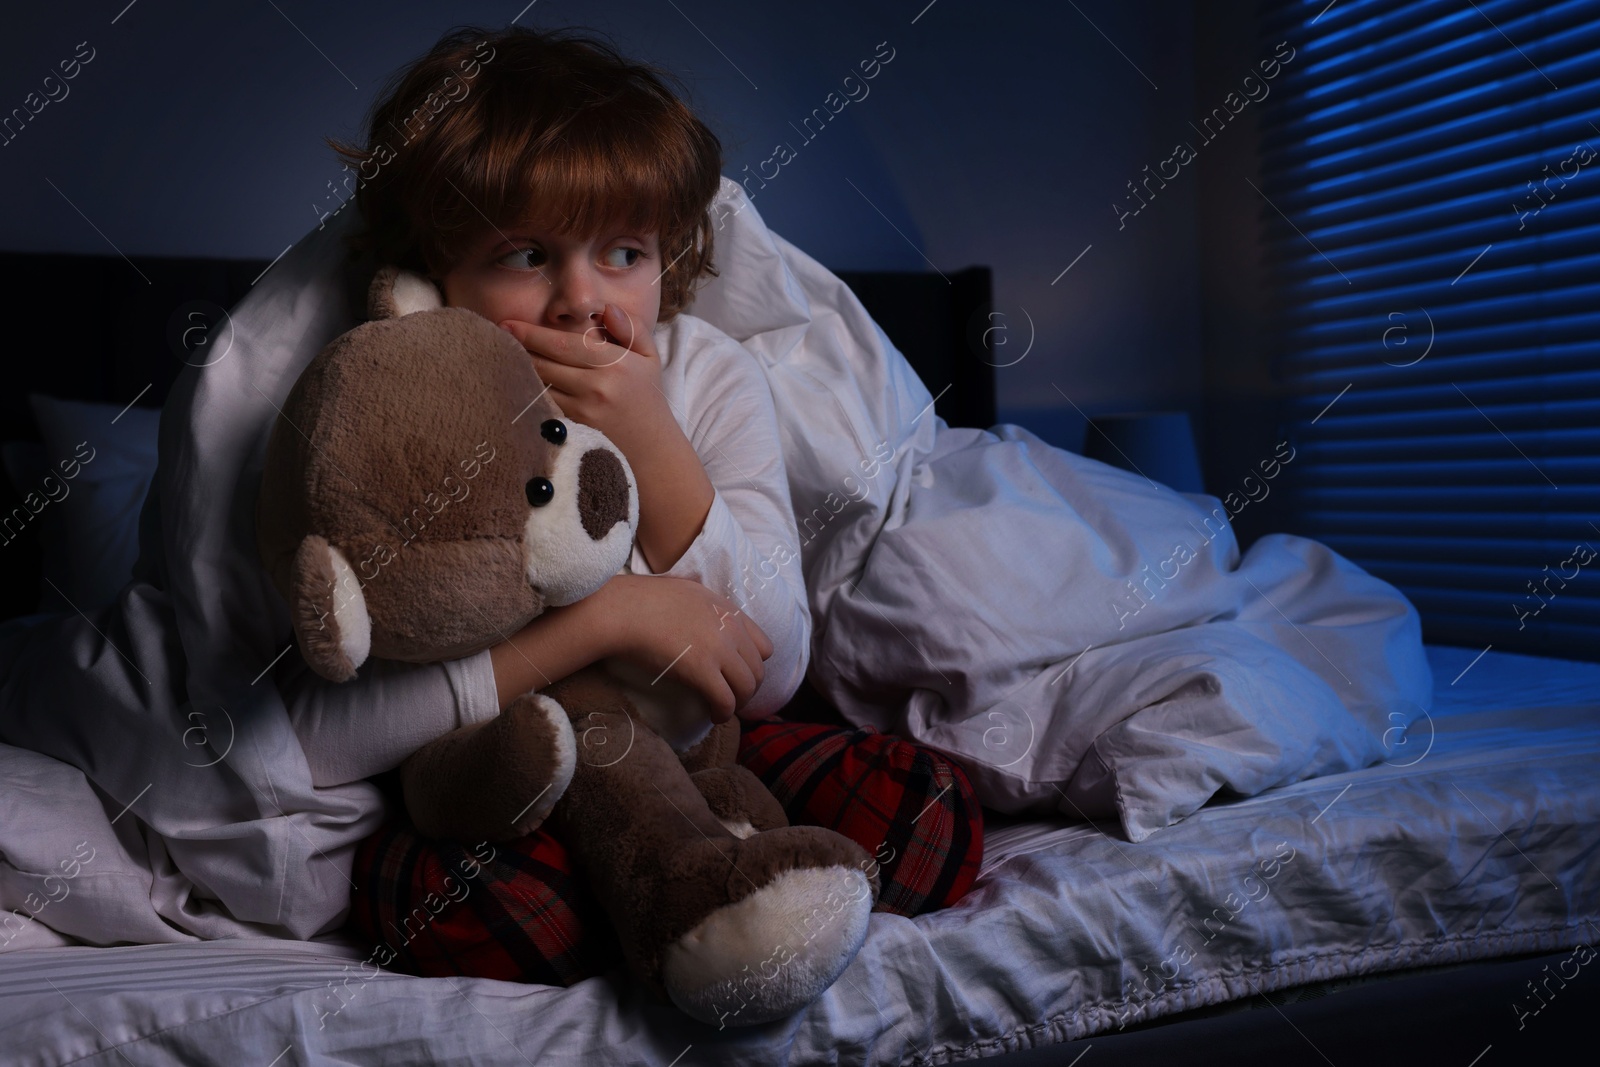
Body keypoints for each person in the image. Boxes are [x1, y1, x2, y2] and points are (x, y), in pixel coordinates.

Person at [286, 24, 984, 986]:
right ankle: (671, 893)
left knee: (925, 822)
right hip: (505, 777)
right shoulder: (409, 400)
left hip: (700, 738)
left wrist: (653, 434)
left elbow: (772, 667)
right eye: (526, 254)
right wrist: (612, 616)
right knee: (481, 914)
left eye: (624, 251)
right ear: (432, 275)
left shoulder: (707, 374)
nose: (583, 300)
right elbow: (321, 741)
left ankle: (708, 865)